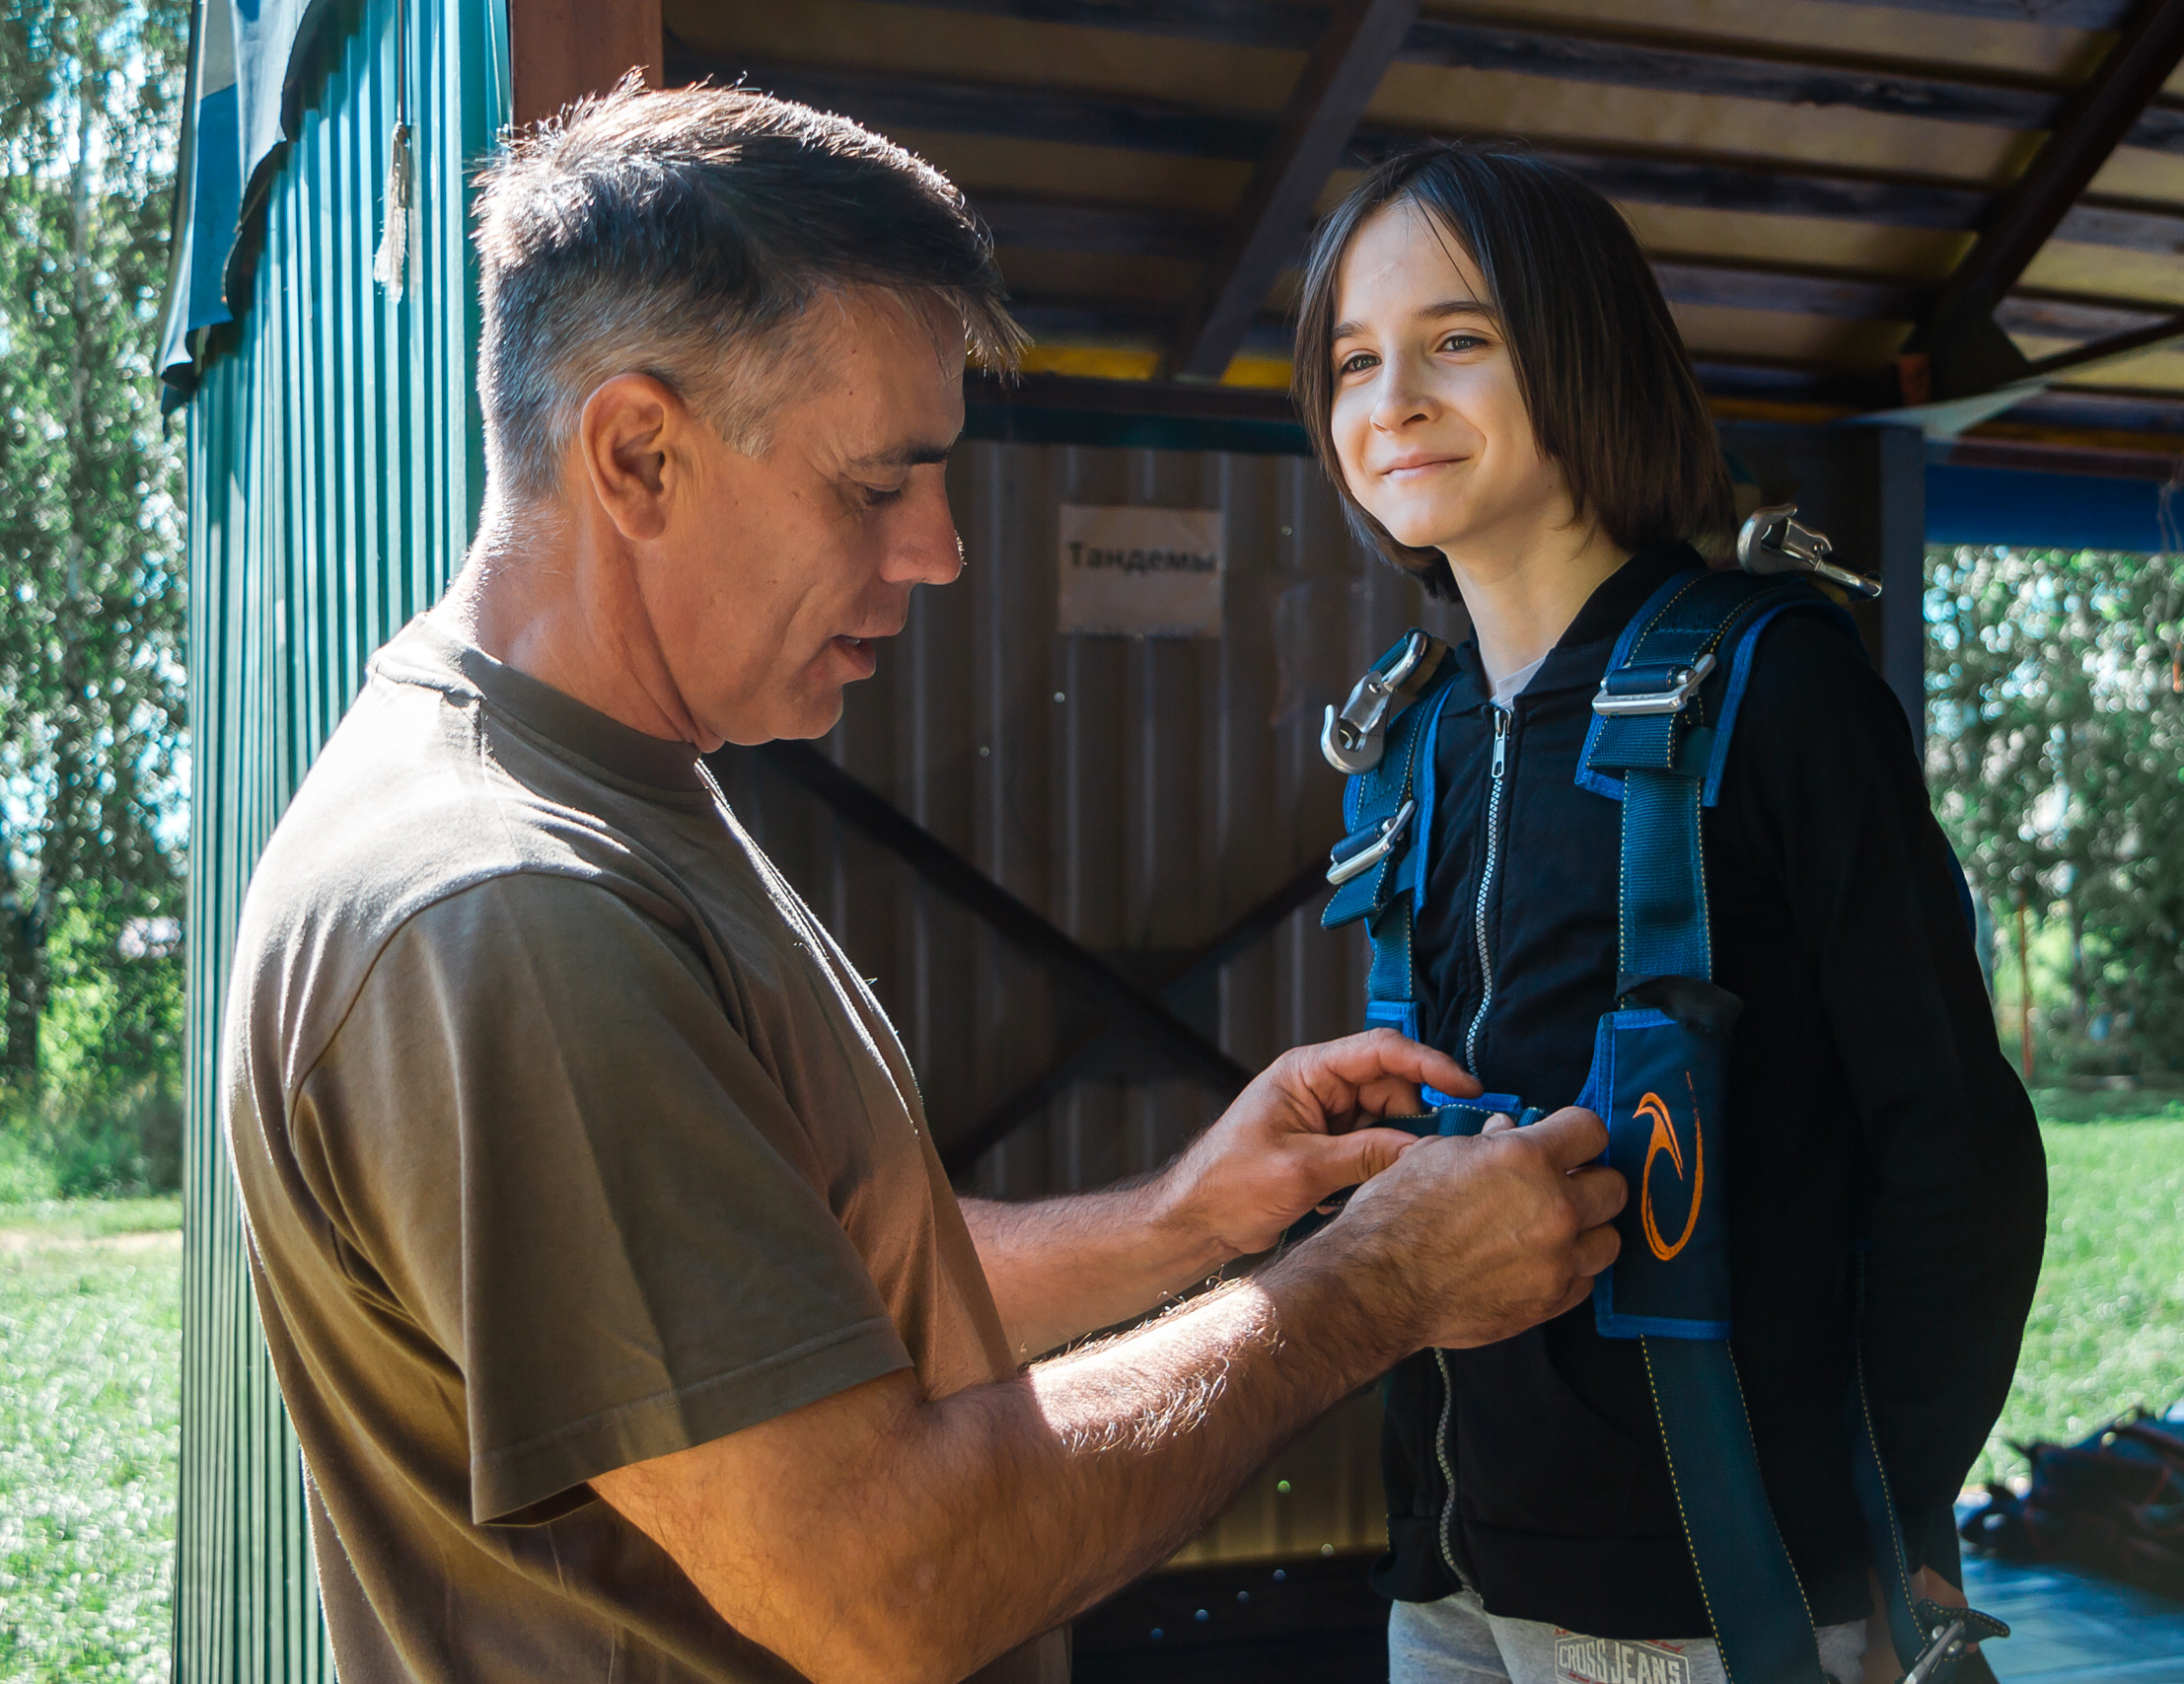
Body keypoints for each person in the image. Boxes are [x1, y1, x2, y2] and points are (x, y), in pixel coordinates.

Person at [219, 87, 1630, 1684]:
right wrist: (1365, 1291)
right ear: (638, 455)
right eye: (876, 485)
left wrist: (1187, 1218)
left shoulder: (613, 787)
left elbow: (783, 1304)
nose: (940, 550)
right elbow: (887, 1585)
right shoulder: (509, 909)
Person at [1287, 144, 2048, 1683]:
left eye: (1457, 339)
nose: (1394, 401)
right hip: (1449, 1578)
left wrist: (1888, 1512)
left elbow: (1957, 1151)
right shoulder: (1412, 738)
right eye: (1354, 361)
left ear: (1585, 353)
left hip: (1714, 1595)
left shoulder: (1778, 688)